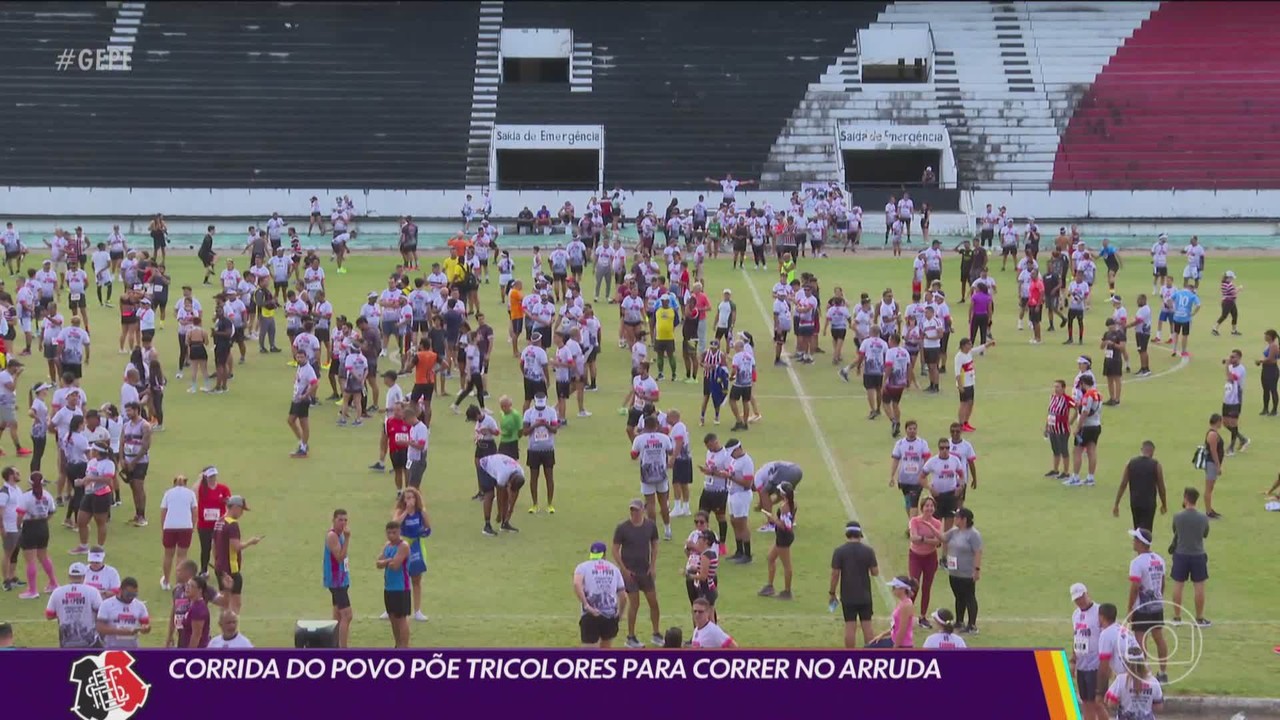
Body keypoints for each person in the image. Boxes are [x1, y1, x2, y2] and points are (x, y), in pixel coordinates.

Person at [612, 498, 661, 649]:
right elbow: (615, 549)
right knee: (635, 604)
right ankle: (631, 637)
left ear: (643, 510)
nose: (634, 513)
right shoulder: (622, 528)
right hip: (630, 573)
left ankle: (656, 633)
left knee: (654, 603)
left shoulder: (650, 526)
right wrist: (624, 570)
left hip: (645, 571)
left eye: (636, 510)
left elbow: (654, 544)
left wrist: (652, 566)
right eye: (632, 510)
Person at [1125, 528, 1170, 683]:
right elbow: (1163, 582)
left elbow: (1135, 587)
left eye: (1135, 540)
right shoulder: (1159, 559)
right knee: (1159, 638)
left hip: (1142, 608)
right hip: (1157, 605)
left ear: (1141, 543)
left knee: (1140, 640)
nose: (1133, 542)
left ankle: (1144, 674)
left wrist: (1130, 608)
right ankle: (1163, 673)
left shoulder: (1137, 563)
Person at [830, 521, 879, 648]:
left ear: (847, 533)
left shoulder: (839, 551)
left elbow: (835, 574)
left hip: (848, 595)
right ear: (859, 534)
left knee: (850, 626)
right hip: (865, 595)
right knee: (867, 626)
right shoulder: (868, 551)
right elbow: (875, 572)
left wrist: (832, 592)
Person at [573, 541, 627, 649]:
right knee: (606, 649)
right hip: (610, 615)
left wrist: (586, 605)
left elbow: (576, 584)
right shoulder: (614, 569)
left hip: (590, 615)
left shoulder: (582, 567)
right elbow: (623, 596)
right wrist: (620, 614)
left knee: (588, 650)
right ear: (604, 554)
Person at [1169, 487, 1211, 627]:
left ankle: (1177, 617)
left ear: (1185, 498)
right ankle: (1199, 618)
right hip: (1198, 555)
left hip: (1181, 554)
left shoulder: (1178, 516)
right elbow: (1205, 534)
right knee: (1199, 587)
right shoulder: (1203, 517)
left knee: (1178, 585)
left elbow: (1176, 531)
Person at [213, 495, 261, 614]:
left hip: (220, 567)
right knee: (234, 604)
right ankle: (232, 629)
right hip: (231, 569)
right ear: (234, 507)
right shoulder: (233, 524)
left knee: (225, 602)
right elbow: (236, 547)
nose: (241, 513)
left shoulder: (219, 521)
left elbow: (213, 544)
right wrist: (251, 542)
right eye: (241, 509)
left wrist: (217, 561)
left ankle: (225, 627)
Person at [630, 414, 673, 538]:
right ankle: (667, 530)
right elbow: (670, 451)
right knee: (664, 502)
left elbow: (633, 455)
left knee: (650, 504)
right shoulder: (664, 438)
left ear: (644, 425)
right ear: (656, 425)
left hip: (647, 474)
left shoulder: (639, 439)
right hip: (661, 473)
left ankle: (653, 532)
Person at [16, 471, 57, 600]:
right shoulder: (47, 495)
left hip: (30, 527)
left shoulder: (26, 496)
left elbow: (20, 515)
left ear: (30, 482)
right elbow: (51, 512)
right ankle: (53, 583)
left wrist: (19, 526)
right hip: (43, 527)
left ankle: (33, 590)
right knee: (43, 556)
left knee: (31, 560)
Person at [941, 507, 982, 634]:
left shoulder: (973, 534)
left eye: (957, 517)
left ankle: (972, 625)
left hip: (966, 573)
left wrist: (976, 570)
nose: (955, 519)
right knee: (958, 597)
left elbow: (978, 552)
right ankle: (959, 621)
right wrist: (930, 527)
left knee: (969, 597)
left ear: (964, 519)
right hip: (954, 572)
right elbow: (943, 538)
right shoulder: (954, 531)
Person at [392, 489, 430, 622]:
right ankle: (391, 608)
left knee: (416, 579)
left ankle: (417, 611)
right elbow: (394, 525)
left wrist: (423, 531)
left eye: (411, 498)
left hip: (416, 546)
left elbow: (428, 528)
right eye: (406, 498)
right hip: (402, 545)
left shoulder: (421, 512)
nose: (409, 501)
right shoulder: (400, 512)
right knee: (397, 578)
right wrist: (405, 513)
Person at [1112, 441, 1167, 534]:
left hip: (1135, 502)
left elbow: (1123, 484)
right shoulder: (1156, 465)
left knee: (1137, 529)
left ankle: (1138, 547)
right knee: (1147, 531)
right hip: (1149, 503)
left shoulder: (1130, 463)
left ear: (1141, 450)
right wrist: (1164, 504)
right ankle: (1145, 547)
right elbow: (1161, 487)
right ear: (1152, 451)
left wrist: (1116, 504)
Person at [45, 562, 102, 648]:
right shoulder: (92, 591)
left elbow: (49, 615)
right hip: (90, 641)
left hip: (66, 640)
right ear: (84, 576)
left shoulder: (57, 592)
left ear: (69, 576)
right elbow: (101, 612)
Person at [1069, 583, 1104, 720]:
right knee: (1085, 703)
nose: (1079, 602)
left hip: (1096, 664)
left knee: (1097, 703)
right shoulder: (1075, 615)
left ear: (1086, 593)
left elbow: (1107, 637)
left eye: (1081, 598)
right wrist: (1073, 660)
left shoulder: (1099, 611)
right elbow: (1076, 637)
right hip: (1082, 665)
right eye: (1076, 600)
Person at [908, 496, 944, 627]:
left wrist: (922, 539)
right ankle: (907, 614)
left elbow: (938, 541)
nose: (929, 508)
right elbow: (913, 538)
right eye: (927, 506)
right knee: (913, 585)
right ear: (922, 508)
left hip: (930, 557)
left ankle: (923, 616)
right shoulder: (915, 521)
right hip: (915, 556)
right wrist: (929, 539)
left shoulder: (937, 523)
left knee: (927, 587)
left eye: (931, 506)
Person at [159, 474, 198, 591]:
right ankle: (179, 583)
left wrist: (163, 527)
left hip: (170, 527)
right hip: (185, 527)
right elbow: (194, 511)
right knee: (182, 556)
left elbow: (163, 511)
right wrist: (192, 525)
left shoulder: (168, 493)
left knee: (168, 555)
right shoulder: (190, 494)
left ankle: (166, 581)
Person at [758, 481, 796, 599]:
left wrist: (772, 519)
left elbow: (785, 526)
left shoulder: (784, 507)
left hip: (783, 537)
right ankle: (770, 586)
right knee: (770, 558)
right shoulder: (792, 503)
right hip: (783, 536)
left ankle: (787, 591)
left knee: (787, 565)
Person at [377, 520, 411, 648]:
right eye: (389, 533)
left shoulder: (403, 546)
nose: (391, 535)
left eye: (394, 533)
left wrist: (385, 562)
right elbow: (378, 563)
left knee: (401, 619)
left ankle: (404, 646)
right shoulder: (388, 546)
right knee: (392, 618)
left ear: (399, 532)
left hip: (401, 588)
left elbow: (395, 565)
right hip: (389, 588)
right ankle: (397, 645)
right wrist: (388, 561)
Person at [1104, 647, 1164, 720]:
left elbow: (1111, 704)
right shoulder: (1153, 681)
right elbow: (1159, 707)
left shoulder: (1121, 680)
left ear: (1126, 663)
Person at [1065, 375, 1103, 487]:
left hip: (1086, 427)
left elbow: (1085, 413)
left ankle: (1075, 477)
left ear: (1083, 383)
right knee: (1091, 451)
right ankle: (1090, 477)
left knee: (1077, 451)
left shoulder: (1088, 395)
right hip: (1096, 425)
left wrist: (1078, 427)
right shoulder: (1099, 394)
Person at [1096, 602, 1140, 699]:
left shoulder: (1106, 634)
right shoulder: (1124, 630)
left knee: (1122, 710)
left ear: (1101, 617)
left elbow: (1104, 666)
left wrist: (1100, 691)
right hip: (1141, 676)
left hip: (1128, 679)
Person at [323, 508, 353, 647]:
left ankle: (333, 645)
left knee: (337, 615)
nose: (343, 523)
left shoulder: (340, 534)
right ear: (333, 520)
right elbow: (340, 557)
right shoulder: (333, 536)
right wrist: (347, 539)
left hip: (342, 579)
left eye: (345, 520)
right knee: (347, 615)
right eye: (340, 520)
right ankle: (343, 648)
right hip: (337, 582)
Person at [476, 452, 525, 536]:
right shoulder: (503, 475)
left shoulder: (521, 473)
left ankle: (504, 524)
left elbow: (515, 492)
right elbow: (500, 496)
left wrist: (510, 511)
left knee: (506, 494)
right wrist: (499, 513)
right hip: (485, 466)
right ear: (509, 482)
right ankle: (487, 526)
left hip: (498, 466)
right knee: (490, 494)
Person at [96, 576, 150, 647]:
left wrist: (145, 628)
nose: (131, 597)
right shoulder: (106, 604)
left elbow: (146, 625)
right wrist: (122, 631)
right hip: (111, 648)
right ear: (120, 590)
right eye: (128, 594)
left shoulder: (140, 606)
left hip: (133, 648)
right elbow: (100, 628)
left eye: (134, 595)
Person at [195, 466, 229, 575]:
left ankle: (220, 569)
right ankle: (204, 570)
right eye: (210, 476)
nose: (213, 478)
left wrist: (225, 516)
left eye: (214, 476)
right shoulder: (201, 488)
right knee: (205, 548)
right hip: (204, 525)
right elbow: (192, 493)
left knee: (220, 547)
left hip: (219, 524)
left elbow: (229, 504)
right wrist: (199, 479)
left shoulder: (223, 489)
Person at [867, 576, 917, 648]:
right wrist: (882, 635)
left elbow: (902, 630)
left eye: (894, 587)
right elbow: (895, 627)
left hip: (902, 645)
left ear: (902, 589)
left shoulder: (906, 606)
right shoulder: (902, 603)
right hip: (894, 640)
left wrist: (895, 647)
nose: (892, 589)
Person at [287, 348, 319, 458]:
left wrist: (306, 395)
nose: (299, 359)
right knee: (290, 421)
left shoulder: (309, 369)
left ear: (306, 357)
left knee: (303, 423)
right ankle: (303, 443)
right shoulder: (300, 367)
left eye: (301, 357)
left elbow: (315, 384)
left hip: (302, 400)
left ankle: (303, 447)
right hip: (296, 398)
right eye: (298, 357)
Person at [1220, 348, 1250, 455]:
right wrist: (1227, 363)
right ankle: (1243, 439)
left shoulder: (1241, 369)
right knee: (1225, 423)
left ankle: (1231, 448)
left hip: (1235, 400)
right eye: (1230, 356)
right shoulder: (1231, 366)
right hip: (1227, 398)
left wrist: (1227, 365)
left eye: (1233, 357)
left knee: (1233, 424)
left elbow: (1231, 377)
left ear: (1239, 358)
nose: (1231, 358)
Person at [1199, 413, 1225, 519]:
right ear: (1217, 421)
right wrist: (1218, 465)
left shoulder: (1213, 433)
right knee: (1209, 488)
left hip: (1212, 463)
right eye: (1221, 421)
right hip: (1211, 464)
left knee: (1210, 487)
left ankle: (1210, 509)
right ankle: (1208, 512)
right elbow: (1213, 451)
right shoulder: (1213, 434)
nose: (1222, 423)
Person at [177, 575, 212, 648]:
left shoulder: (198, 608)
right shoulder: (193, 604)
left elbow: (196, 636)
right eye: (187, 585)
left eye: (192, 586)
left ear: (200, 590)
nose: (187, 588)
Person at [1169, 279, 1200, 358]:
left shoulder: (1178, 292)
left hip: (1177, 316)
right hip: (1186, 317)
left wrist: (1172, 309)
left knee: (1176, 333)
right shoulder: (1192, 295)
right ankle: (1183, 351)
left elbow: (1169, 300)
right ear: (1192, 289)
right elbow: (1198, 305)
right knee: (1185, 335)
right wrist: (1193, 313)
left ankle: (1174, 349)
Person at [1258, 328, 1279, 416]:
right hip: (1266, 369)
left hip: (1271, 369)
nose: (1265, 336)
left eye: (1266, 335)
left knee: (1273, 389)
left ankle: (1274, 410)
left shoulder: (1273, 346)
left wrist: (1260, 361)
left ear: (1270, 336)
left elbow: (1270, 358)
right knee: (1265, 389)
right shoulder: (1269, 345)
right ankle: (1265, 408)